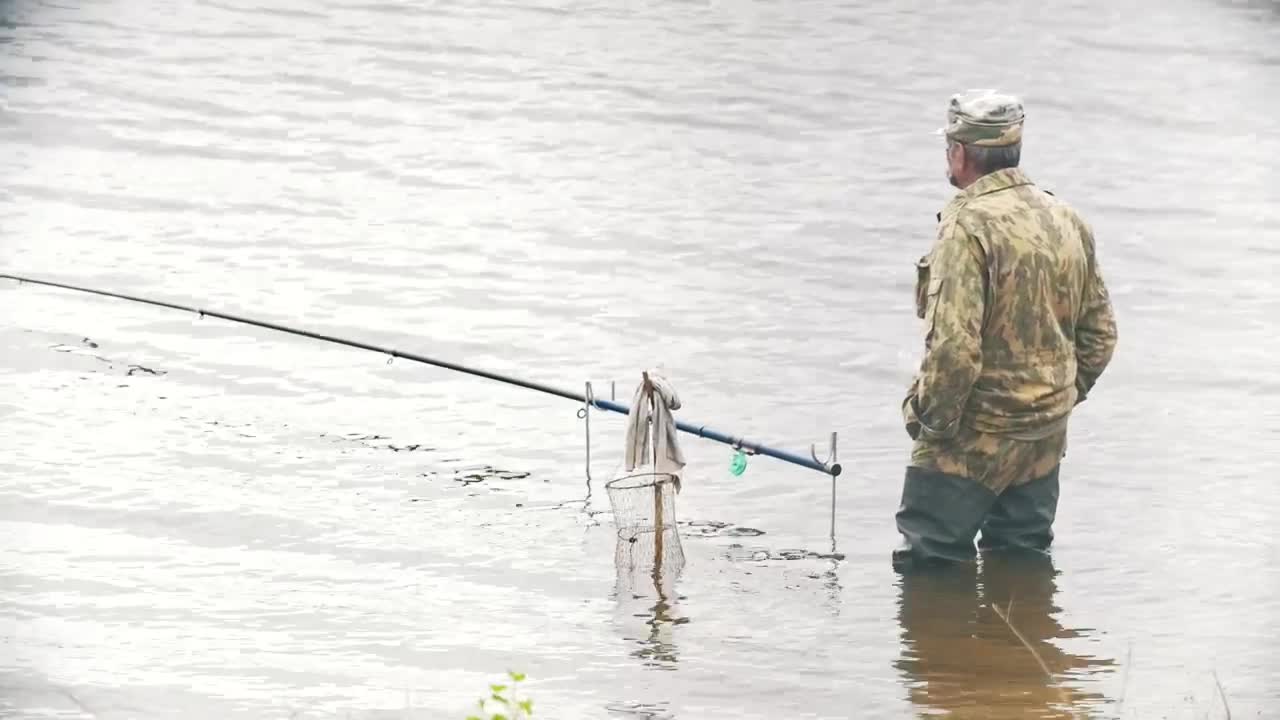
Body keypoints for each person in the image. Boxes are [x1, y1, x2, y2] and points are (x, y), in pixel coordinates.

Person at [893, 89, 1119, 571]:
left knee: (930, 565)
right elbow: (1100, 335)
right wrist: (1056, 398)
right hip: (1043, 434)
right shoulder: (1067, 218)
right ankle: (1019, 645)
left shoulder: (967, 227)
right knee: (1022, 562)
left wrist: (929, 422)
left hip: (973, 435)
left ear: (960, 153)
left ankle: (943, 650)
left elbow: (954, 350)